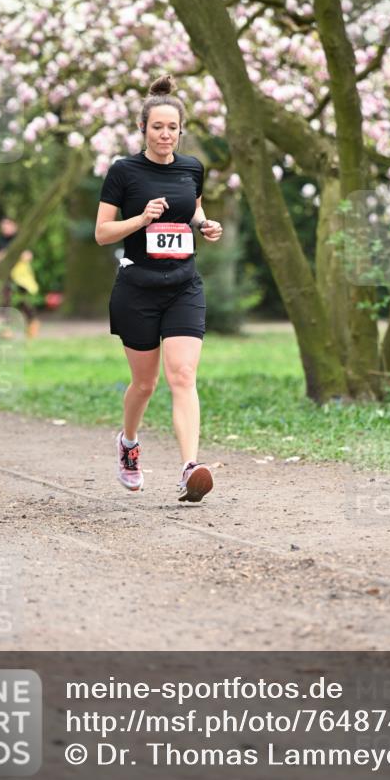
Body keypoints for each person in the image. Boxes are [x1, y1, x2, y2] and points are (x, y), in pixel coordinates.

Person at [95, 75, 223, 502]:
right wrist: (141, 219)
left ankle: (190, 469)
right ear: (144, 129)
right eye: (157, 127)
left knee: (183, 375)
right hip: (137, 288)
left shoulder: (192, 168)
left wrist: (204, 225)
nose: (165, 134)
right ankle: (128, 443)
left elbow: (194, 209)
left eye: (172, 128)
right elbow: (102, 233)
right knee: (145, 385)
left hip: (184, 284)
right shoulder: (123, 172)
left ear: (180, 131)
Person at [0, 217, 41, 338]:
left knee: (22, 302)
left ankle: (32, 323)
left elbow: (27, 256)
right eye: (2, 227)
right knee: (5, 300)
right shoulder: (1, 240)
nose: (4, 229)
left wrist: (6, 255)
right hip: (7, 276)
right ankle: (5, 329)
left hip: (20, 277)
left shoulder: (21, 240)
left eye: (7, 226)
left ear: (14, 226)